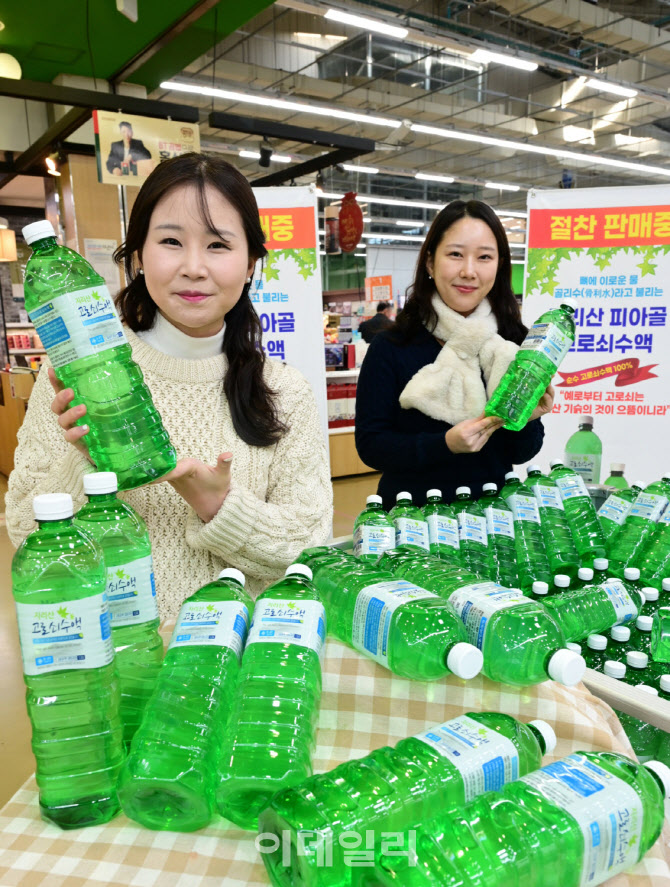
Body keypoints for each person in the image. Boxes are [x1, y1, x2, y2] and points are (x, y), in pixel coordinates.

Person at [6, 153, 333, 619]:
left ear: (250, 264)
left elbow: (308, 550)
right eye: (171, 242)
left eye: (218, 245)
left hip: (244, 657)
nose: (194, 267)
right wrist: (83, 462)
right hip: (119, 657)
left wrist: (216, 505)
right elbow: (23, 529)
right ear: (139, 255)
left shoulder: (285, 391)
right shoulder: (75, 376)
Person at [355, 199, 552, 510]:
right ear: (431, 263)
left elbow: (521, 453)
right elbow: (371, 446)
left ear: (499, 265)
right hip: (410, 523)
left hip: (492, 521)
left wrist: (526, 419)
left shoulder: (514, 344)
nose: (469, 271)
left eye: (484, 257)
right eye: (456, 254)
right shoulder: (392, 345)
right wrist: (445, 445)